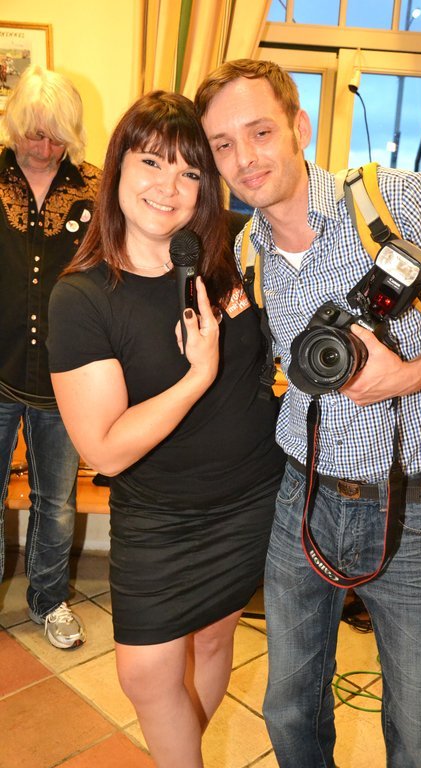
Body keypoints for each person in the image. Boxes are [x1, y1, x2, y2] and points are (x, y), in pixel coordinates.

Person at [195, 58, 421, 768]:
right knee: (288, 707)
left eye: (260, 132)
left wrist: (409, 376)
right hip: (300, 498)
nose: (245, 158)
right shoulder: (246, 250)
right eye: (223, 144)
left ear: (299, 127)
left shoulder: (392, 201)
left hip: (411, 506)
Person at [46, 90, 284, 768]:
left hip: (250, 499)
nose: (169, 186)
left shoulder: (231, 253)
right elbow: (105, 450)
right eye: (151, 162)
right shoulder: (83, 297)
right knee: (147, 673)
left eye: (189, 172)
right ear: (118, 166)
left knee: (213, 640)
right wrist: (196, 375)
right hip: (157, 515)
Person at [0, 65, 101, 649]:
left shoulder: (96, 187)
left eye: (57, 137)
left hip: (66, 374)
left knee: (56, 501)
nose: (44, 149)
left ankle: (49, 599)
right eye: (35, 134)